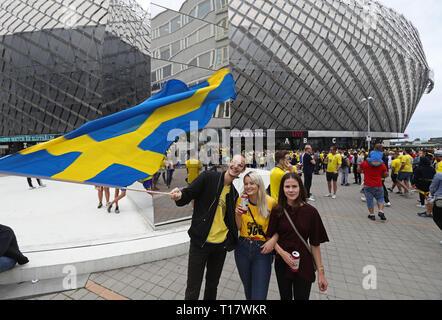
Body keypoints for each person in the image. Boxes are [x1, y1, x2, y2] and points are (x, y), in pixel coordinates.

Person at [169, 154, 246, 300]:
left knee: (212, 286)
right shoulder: (208, 177)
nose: (236, 166)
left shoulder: (234, 195)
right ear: (229, 163)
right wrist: (179, 196)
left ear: (242, 170)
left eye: (240, 165)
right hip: (200, 244)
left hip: (220, 247)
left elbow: (231, 222)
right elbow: (188, 193)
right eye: (234, 162)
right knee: (193, 287)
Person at [266, 172, 329, 300]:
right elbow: (269, 236)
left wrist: (321, 273)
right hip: (282, 263)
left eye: (294, 186)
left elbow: (315, 244)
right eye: (287, 187)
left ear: (300, 187)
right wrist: (282, 253)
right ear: (282, 189)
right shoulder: (277, 210)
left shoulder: (311, 212)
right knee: (285, 297)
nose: (291, 190)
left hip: (304, 262)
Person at [234, 171, 277, 300]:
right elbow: (239, 227)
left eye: (252, 183)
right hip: (242, 247)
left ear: (259, 184)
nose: (248, 187)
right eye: (246, 184)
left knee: (259, 295)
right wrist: (237, 215)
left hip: (262, 250)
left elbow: (279, 228)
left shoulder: (270, 202)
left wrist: (273, 241)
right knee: (248, 290)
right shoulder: (241, 200)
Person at [358, 154, 389, 221]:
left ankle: (372, 215)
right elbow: (386, 174)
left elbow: (358, 170)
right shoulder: (381, 164)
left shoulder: (365, 163)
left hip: (368, 184)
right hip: (378, 184)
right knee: (380, 198)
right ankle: (381, 211)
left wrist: (364, 171)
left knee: (370, 200)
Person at [427, 172, 442, 244]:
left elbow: (433, 187)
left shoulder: (439, 175)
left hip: (440, 199)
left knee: (437, 217)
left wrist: (432, 194)